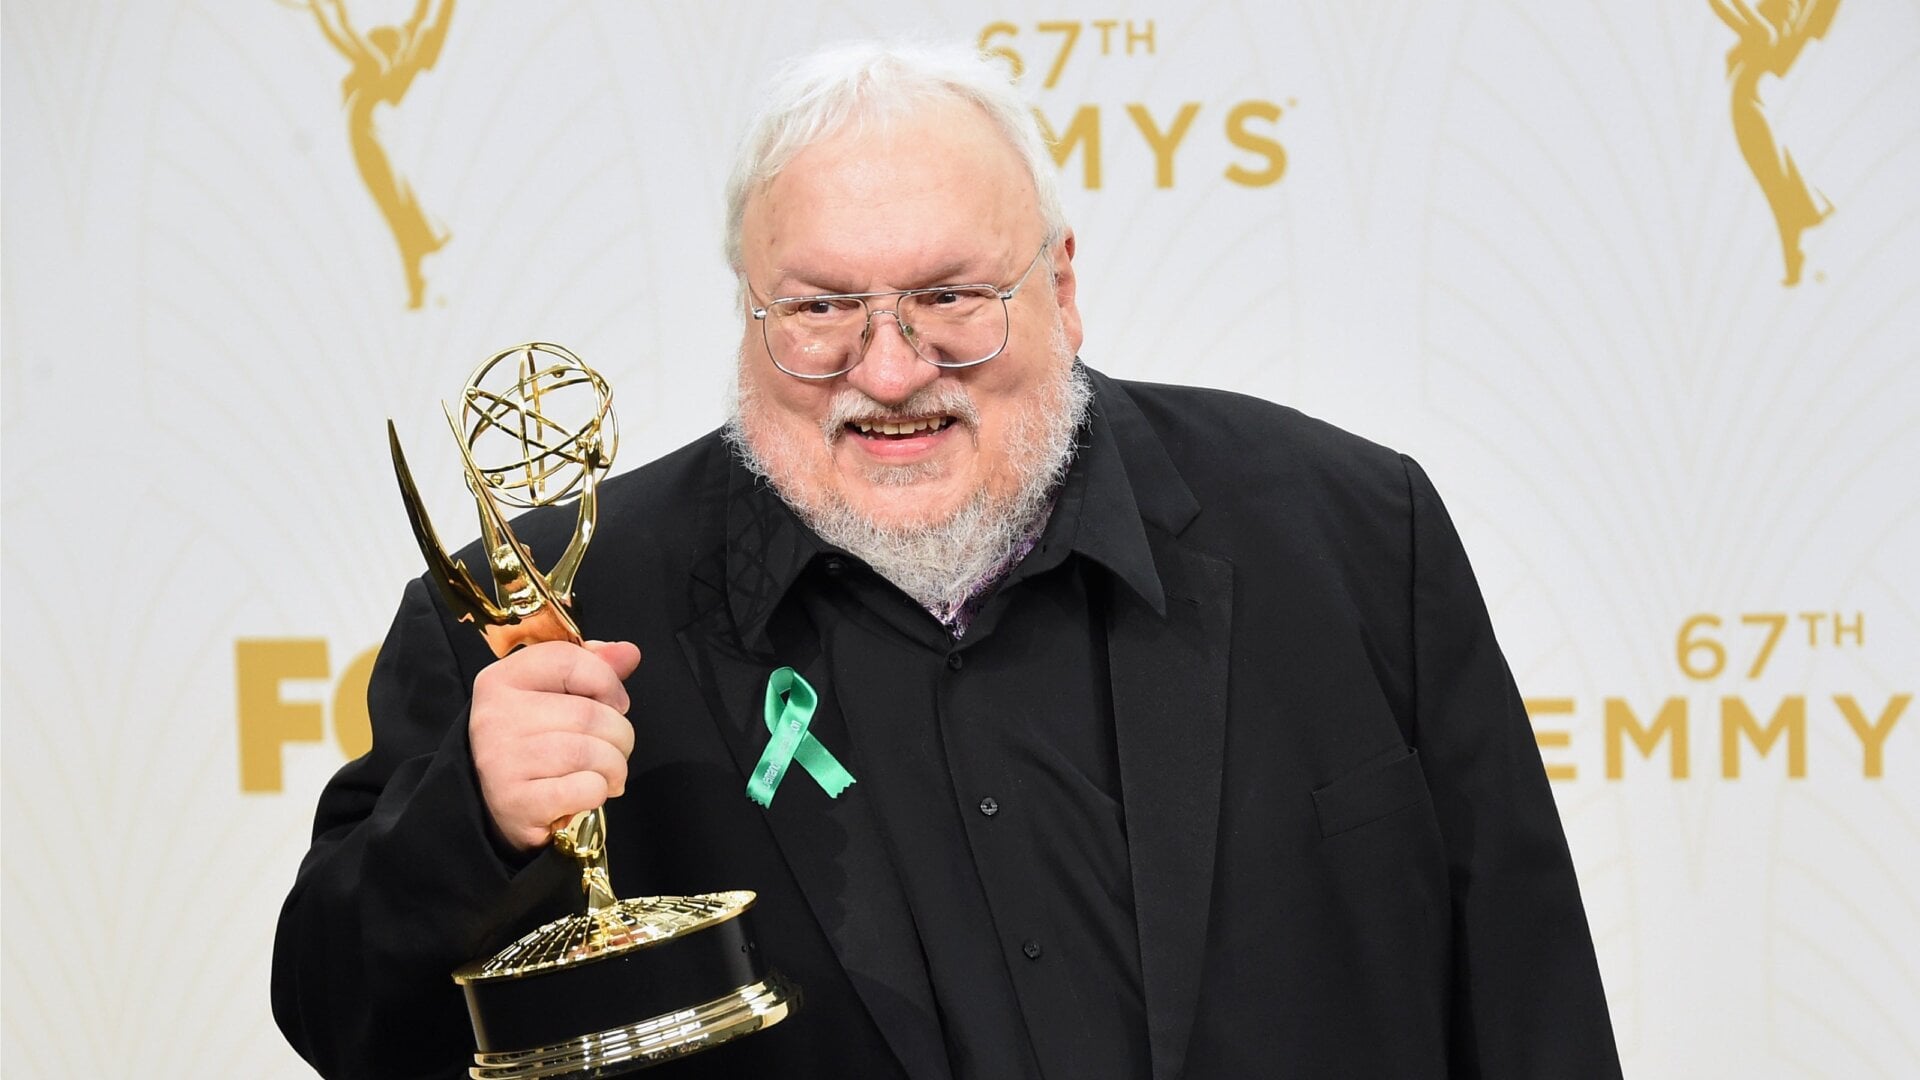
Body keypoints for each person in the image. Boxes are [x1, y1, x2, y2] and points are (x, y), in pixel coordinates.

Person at [272, 39, 1622, 1080]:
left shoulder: (1345, 533)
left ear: (1064, 285)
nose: (892, 369)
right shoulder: (549, 612)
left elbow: (1529, 1002)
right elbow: (339, 1014)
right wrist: (476, 824)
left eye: (950, 298)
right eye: (821, 310)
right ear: (750, 315)